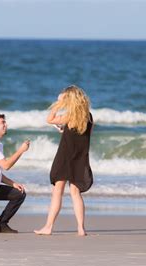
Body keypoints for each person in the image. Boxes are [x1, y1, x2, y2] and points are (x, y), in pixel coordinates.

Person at [34, 85, 93, 236]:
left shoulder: (69, 116)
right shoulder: (88, 116)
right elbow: (81, 136)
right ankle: (81, 228)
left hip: (65, 156)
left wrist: (58, 103)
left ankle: (48, 227)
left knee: (57, 192)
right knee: (75, 192)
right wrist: (65, 131)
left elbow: (50, 119)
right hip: (80, 158)